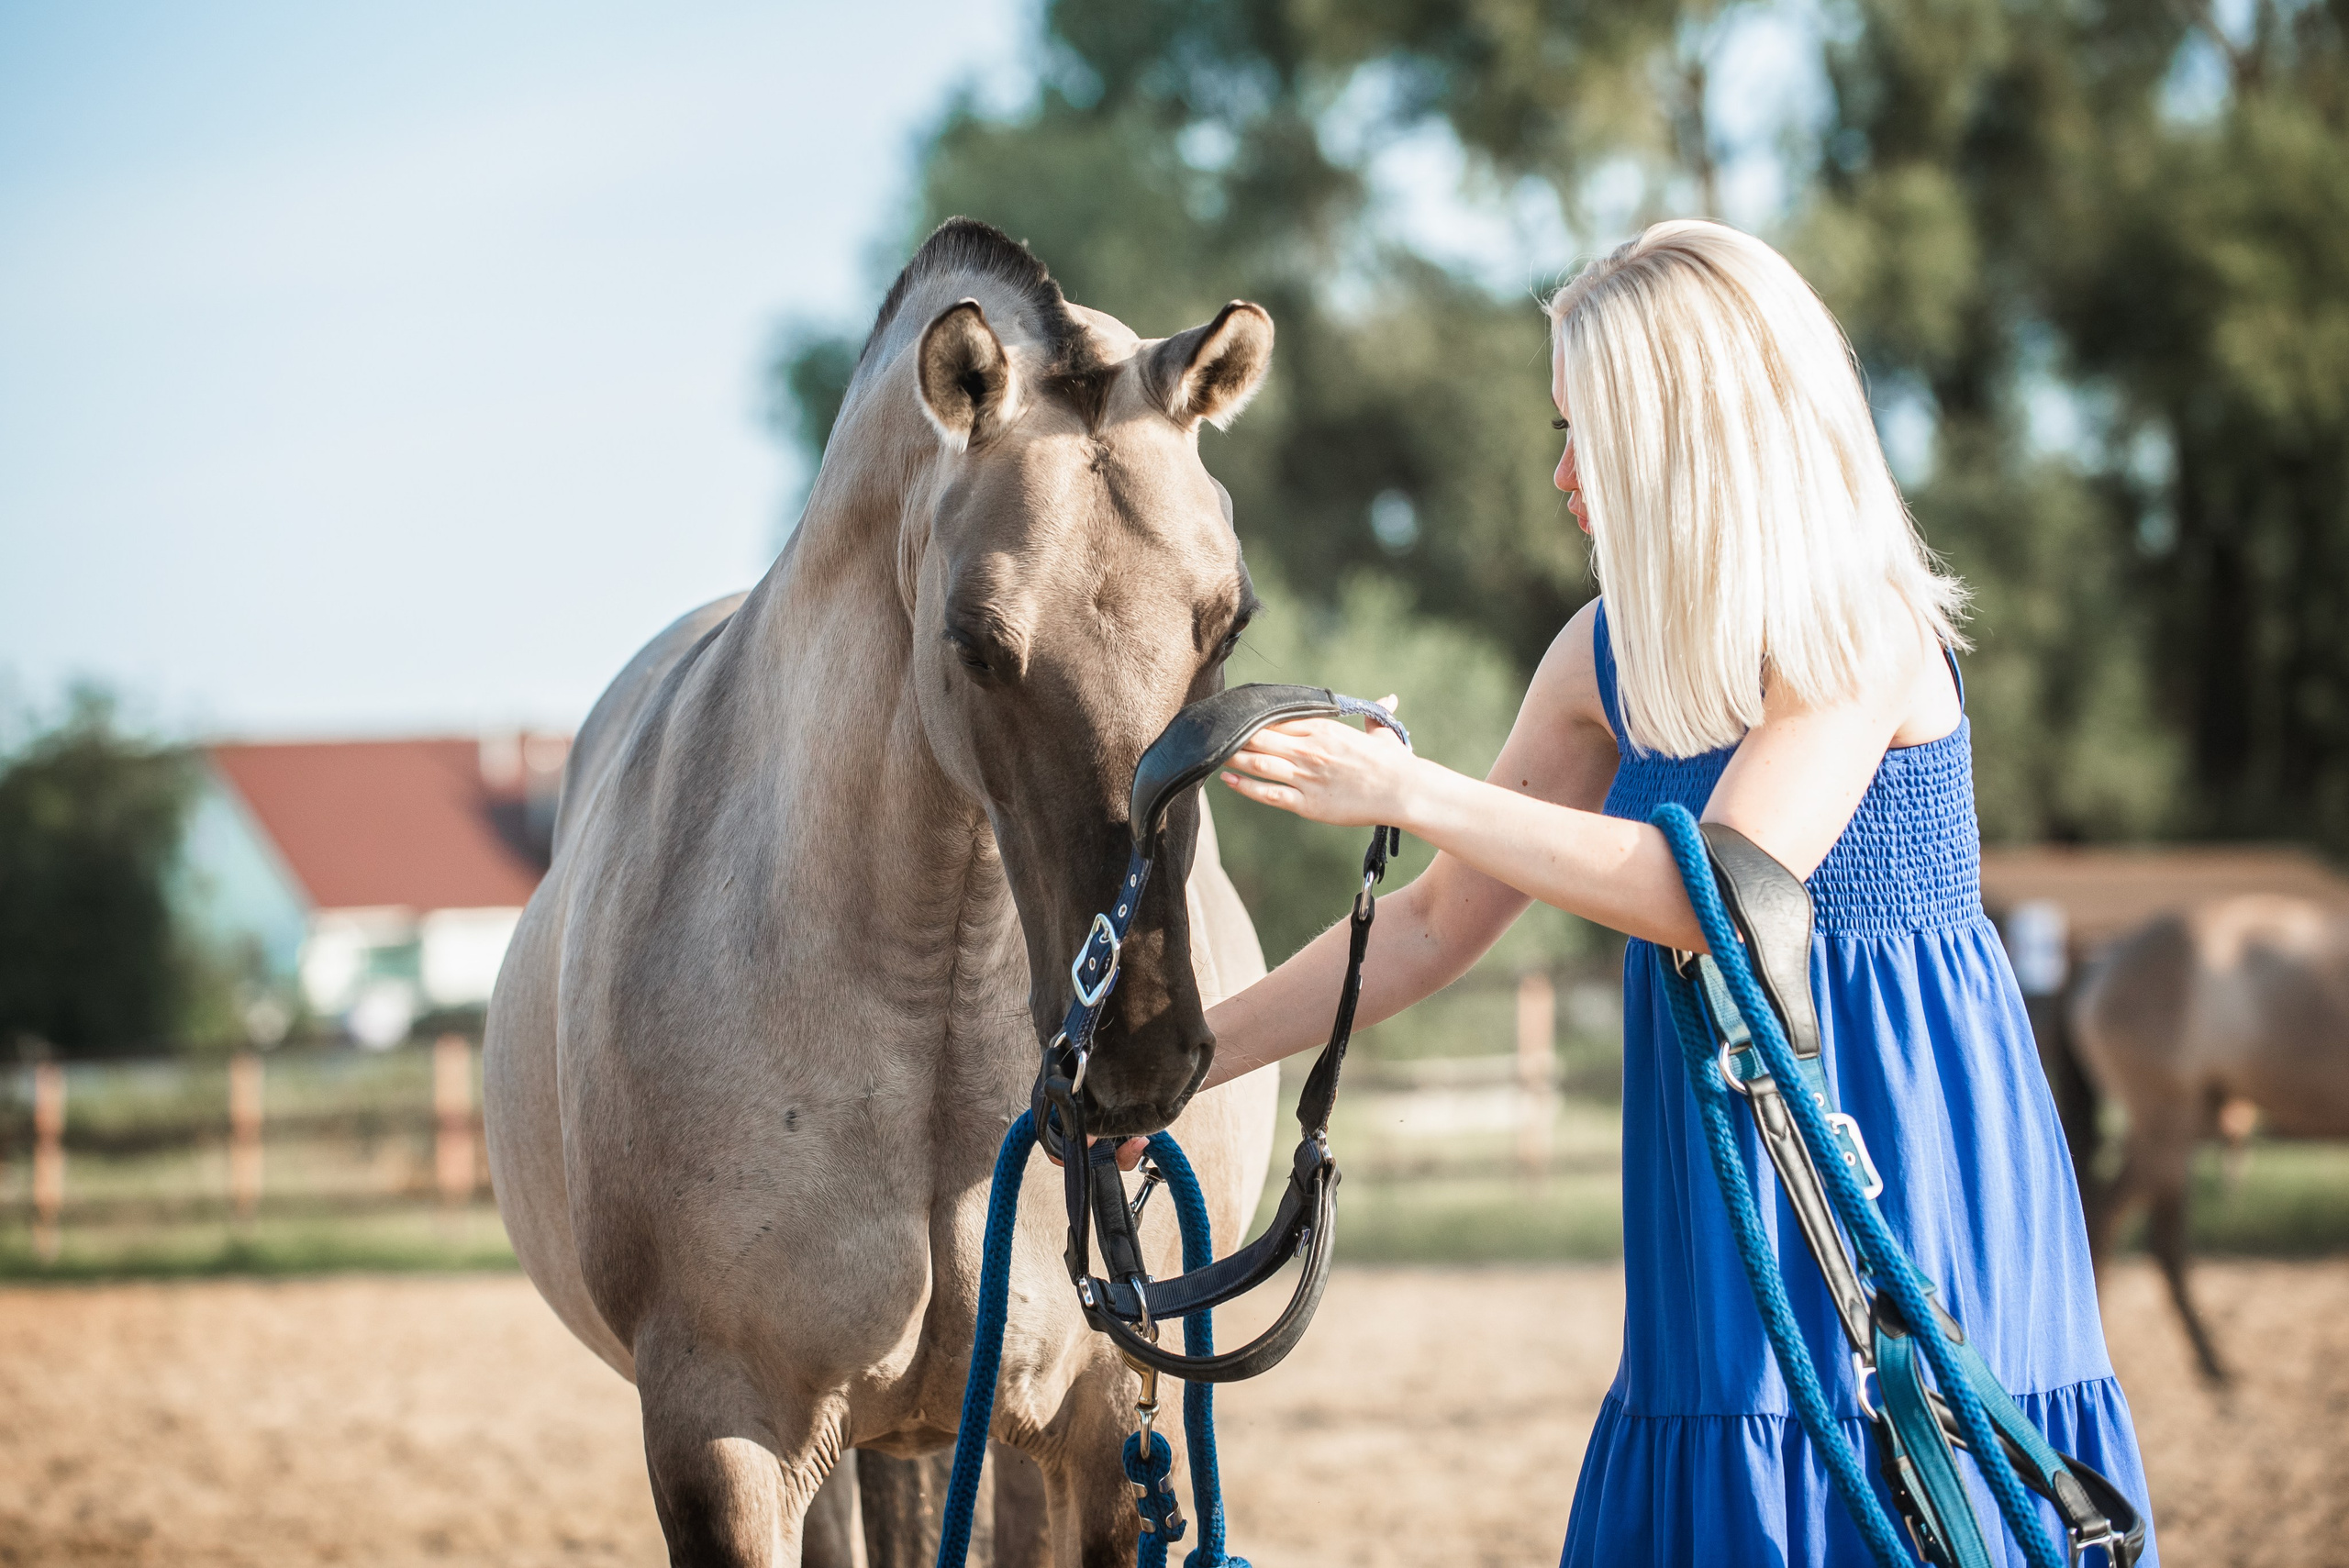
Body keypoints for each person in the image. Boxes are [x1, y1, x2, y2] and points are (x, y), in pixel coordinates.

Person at [1197, 220, 2159, 1565]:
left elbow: (1720, 893)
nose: (1564, 475)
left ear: (1683, 437)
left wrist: (1413, 792)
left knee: (1919, 1483)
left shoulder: (1858, 625)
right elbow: (1424, 926)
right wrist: (1187, 1060)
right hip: (1721, 1162)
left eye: (1588, 431)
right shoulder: (1603, 658)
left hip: (1901, 1136)